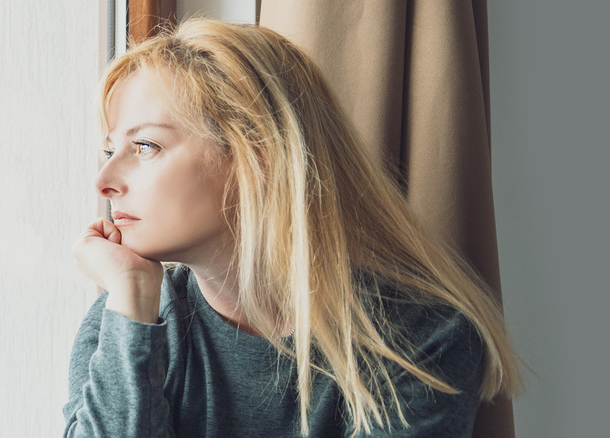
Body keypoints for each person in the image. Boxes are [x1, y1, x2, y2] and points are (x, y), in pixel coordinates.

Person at [63, 19, 522, 438]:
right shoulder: (124, 324)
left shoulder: (420, 338)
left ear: (255, 157)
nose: (103, 182)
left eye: (144, 145)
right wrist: (127, 298)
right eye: (109, 151)